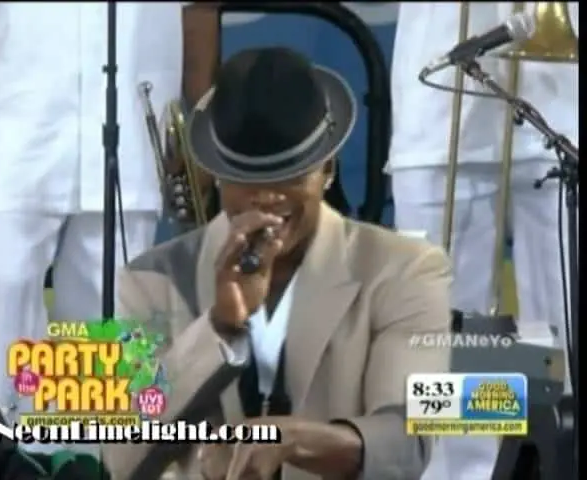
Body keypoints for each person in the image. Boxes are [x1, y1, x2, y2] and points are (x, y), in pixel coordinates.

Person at [101, 46, 453, 479]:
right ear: (217, 174)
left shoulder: (406, 269)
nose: (267, 196)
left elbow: (410, 438)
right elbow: (120, 456)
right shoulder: (148, 280)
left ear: (327, 168)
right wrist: (219, 327)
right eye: (246, 178)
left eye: (289, 174)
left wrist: (292, 439)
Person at [0, 2, 219, 455]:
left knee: (109, 312)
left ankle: (92, 463)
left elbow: (199, 9)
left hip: (133, 121)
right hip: (18, 113)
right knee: (6, 298)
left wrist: (201, 122)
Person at [387, 3, 578, 479]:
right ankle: (466, 473)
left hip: (558, 105)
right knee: (452, 340)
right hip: (439, 110)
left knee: (564, 341)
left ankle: (555, 464)